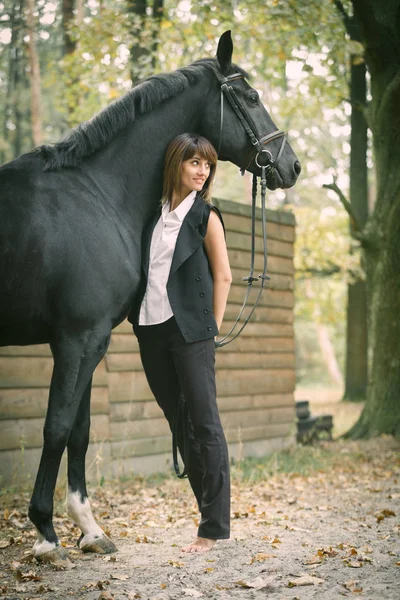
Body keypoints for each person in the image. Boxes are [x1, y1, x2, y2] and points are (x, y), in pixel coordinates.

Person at [128, 133, 232, 553]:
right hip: (151, 330)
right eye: (194, 161)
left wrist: (211, 329)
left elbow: (223, 275)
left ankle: (212, 527)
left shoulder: (205, 217)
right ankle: (205, 511)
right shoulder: (151, 217)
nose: (202, 170)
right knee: (180, 424)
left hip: (193, 333)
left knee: (205, 425)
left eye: (207, 164)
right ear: (176, 164)